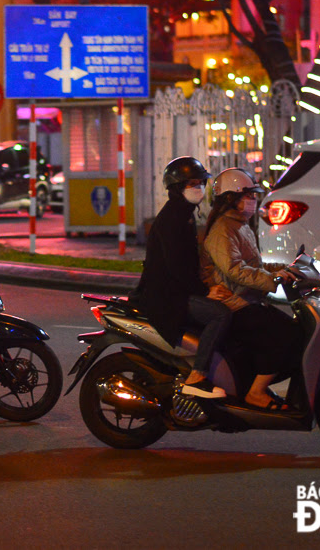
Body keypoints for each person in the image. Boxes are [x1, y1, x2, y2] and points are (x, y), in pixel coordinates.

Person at [200, 168, 303, 410]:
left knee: (296, 332)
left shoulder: (239, 225)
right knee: (285, 335)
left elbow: (253, 264)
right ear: (231, 199)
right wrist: (272, 280)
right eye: (248, 196)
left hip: (248, 299)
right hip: (234, 303)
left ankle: (254, 384)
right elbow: (235, 269)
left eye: (254, 196)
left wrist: (287, 268)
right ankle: (255, 392)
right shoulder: (223, 229)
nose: (254, 201)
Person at [129, 157, 232, 399]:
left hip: (178, 290)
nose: (198, 188)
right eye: (191, 184)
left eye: (200, 183)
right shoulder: (172, 219)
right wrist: (206, 292)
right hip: (167, 296)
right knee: (220, 314)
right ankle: (197, 376)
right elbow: (177, 268)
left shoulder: (184, 213)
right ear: (177, 187)